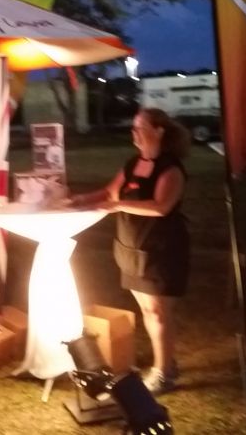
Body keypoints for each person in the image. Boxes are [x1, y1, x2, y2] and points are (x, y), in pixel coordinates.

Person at [70, 108, 191, 395]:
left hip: (160, 250)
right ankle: (167, 363)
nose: (134, 133)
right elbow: (110, 192)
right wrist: (79, 200)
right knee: (148, 310)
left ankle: (163, 373)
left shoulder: (170, 169)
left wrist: (118, 205)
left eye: (140, 127)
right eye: (133, 128)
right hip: (132, 249)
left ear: (159, 131)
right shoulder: (133, 163)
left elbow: (161, 206)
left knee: (158, 312)